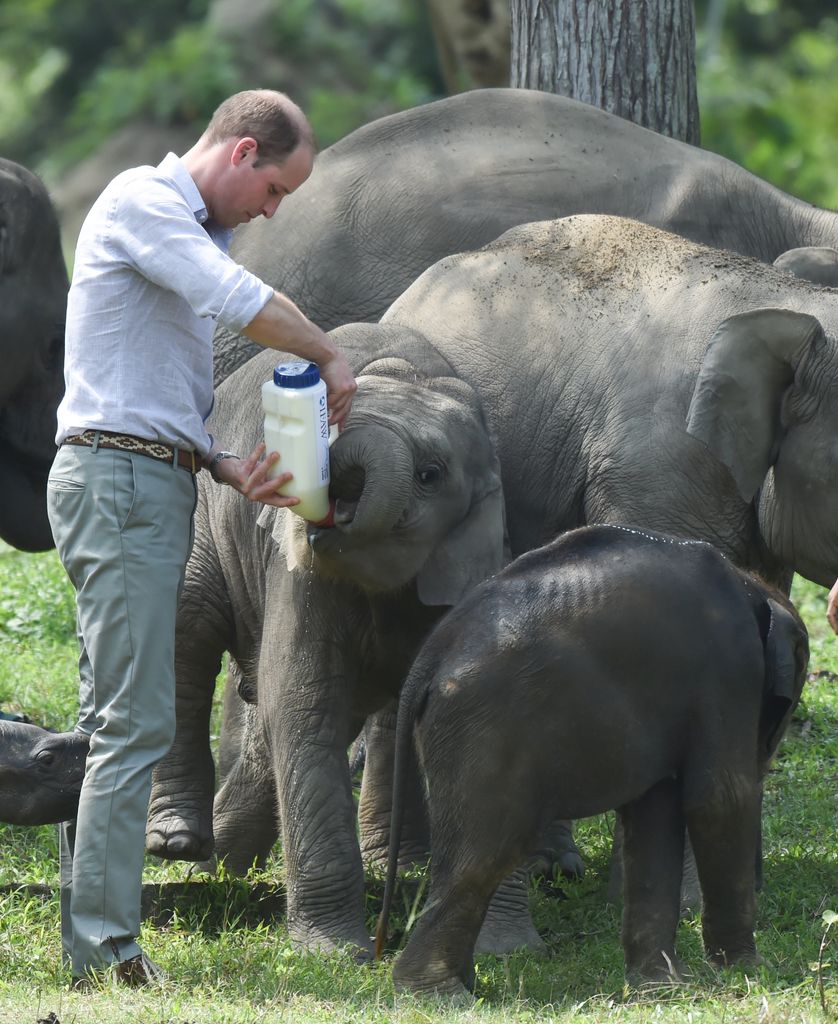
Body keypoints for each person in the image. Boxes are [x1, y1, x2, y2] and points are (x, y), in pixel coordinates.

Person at [46, 89, 356, 987]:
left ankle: (97, 933)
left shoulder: (186, 233)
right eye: (274, 191)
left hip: (146, 474)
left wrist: (220, 460)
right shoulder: (145, 203)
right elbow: (239, 301)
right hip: (118, 483)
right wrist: (331, 354)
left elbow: (134, 380)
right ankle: (106, 951)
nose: (272, 211)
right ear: (242, 151)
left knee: (117, 710)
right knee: (133, 719)